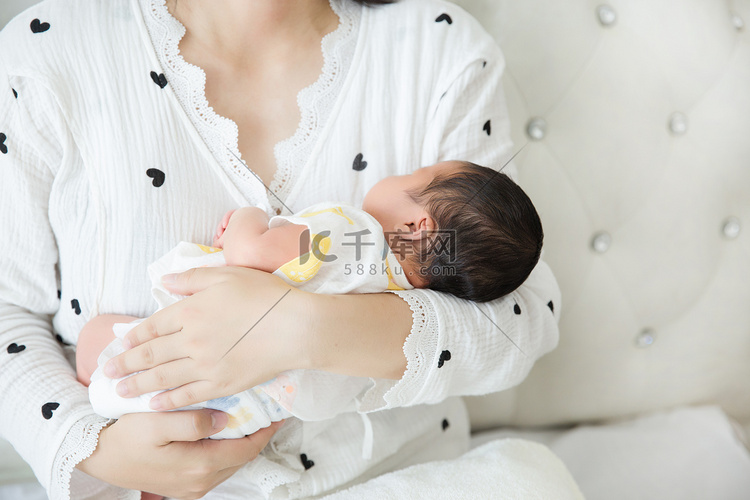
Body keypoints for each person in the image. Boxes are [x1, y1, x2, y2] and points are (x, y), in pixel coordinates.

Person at [0, 0, 561, 498]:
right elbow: (7, 310)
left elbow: (520, 315)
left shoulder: (438, 47)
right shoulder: (45, 54)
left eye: (415, 174)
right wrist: (93, 448)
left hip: (400, 475)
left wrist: (300, 328)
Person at [77, 160, 544, 443]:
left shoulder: (355, 238)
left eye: (412, 175)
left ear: (418, 226)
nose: (395, 173)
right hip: (248, 412)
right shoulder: (397, 296)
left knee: (93, 343)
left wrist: (249, 215)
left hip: (189, 356)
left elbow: (253, 251)